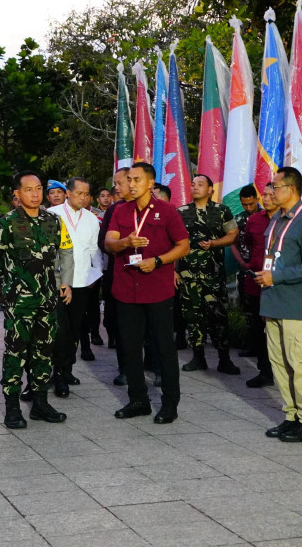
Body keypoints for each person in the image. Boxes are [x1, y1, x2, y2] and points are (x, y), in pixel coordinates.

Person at [106, 162, 190, 424]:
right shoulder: (121, 210)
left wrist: (159, 261)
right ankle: (138, 400)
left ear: (151, 183)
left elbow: (184, 246)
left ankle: (169, 403)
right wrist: (125, 242)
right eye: (128, 179)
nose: (131, 184)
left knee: (164, 347)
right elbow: (109, 244)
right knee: (130, 348)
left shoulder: (166, 211)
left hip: (157, 289)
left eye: (137, 180)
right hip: (125, 289)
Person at [0, 171, 74, 429]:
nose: (35, 194)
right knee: (16, 352)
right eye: (29, 189)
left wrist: (65, 282)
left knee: (44, 351)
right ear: (17, 194)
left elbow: (64, 252)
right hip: (19, 302)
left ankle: (40, 403)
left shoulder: (53, 221)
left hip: (48, 298)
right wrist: (10, 287)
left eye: (38, 188)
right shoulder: (6, 224)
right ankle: (13, 407)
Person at [256, 166, 302, 442]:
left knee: (300, 363)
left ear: (291, 189)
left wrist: (277, 276)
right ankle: (291, 416)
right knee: (280, 364)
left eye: (276, 186)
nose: (271, 191)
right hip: (273, 302)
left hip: (295, 305)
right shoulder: (277, 221)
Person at [177, 174, 240, 375]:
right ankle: (198, 357)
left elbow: (232, 235)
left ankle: (224, 359)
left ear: (211, 189)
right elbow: (173, 242)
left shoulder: (222, 211)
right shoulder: (181, 212)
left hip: (214, 275)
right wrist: (174, 270)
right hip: (188, 276)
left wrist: (214, 243)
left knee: (218, 317)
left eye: (200, 184)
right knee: (193, 316)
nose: (195, 187)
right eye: (193, 184)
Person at [48, 177, 102, 397]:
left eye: (87, 193)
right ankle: (57, 373)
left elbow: (93, 250)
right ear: (68, 193)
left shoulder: (91, 219)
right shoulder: (53, 215)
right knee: (60, 329)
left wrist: (95, 275)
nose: (84, 197)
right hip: (59, 282)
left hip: (82, 282)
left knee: (75, 329)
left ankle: (66, 369)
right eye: (80, 193)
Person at [233, 183, 278, 387]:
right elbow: (249, 244)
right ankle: (265, 372)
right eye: (265, 195)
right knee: (259, 330)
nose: (266, 198)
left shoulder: (289, 220)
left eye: (271, 194)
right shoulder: (253, 220)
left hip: (280, 284)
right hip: (256, 281)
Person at [98, 168, 130, 380]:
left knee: (154, 327)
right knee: (122, 324)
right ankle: (125, 369)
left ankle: (155, 367)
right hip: (119, 273)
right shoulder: (115, 210)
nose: (115, 188)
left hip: (151, 275)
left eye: (120, 183)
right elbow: (103, 242)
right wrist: (121, 246)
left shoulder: (160, 209)